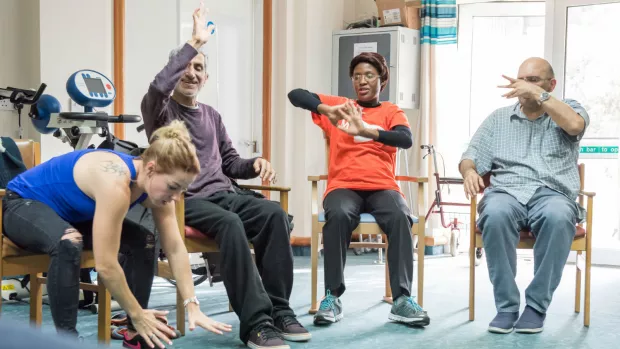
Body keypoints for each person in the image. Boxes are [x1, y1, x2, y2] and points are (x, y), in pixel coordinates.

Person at [140, 2, 310, 348]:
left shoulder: (212, 115)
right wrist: (195, 44)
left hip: (224, 194)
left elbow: (230, 162)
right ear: (175, 73)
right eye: (185, 67)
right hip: (187, 199)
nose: (191, 73)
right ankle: (256, 324)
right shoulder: (161, 111)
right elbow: (157, 89)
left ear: (205, 78)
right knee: (230, 225)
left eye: (198, 68)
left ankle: (280, 310)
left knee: (274, 214)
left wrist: (255, 163)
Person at [2, 120, 232, 349]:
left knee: (145, 241)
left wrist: (192, 304)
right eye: (173, 187)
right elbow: (106, 265)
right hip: (21, 205)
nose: (176, 197)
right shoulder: (116, 185)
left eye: (182, 189)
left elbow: (174, 247)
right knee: (68, 241)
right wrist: (137, 311)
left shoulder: (157, 187)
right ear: (151, 168)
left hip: (71, 217)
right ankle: (67, 342)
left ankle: (136, 330)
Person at [287, 51, 430, 327]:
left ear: (382, 80)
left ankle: (402, 300)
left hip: (383, 187)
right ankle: (332, 297)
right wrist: (323, 109)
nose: (361, 81)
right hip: (343, 186)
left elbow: (405, 139)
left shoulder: (391, 111)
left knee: (401, 216)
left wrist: (367, 130)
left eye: (369, 75)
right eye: (356, 76)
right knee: (338, 215)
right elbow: (295, 94)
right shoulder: (340, 106)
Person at [459, 57, 589, 334]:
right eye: (522, 80)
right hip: (507, 192)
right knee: (493, 213)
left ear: (551, 85)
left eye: (534, 80)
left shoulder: (569, 110)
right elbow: (470, 156)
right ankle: (506, 307)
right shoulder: (498, 119)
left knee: (558, 216)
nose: (525, 86)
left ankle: (536, 307)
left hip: (552, 193)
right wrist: (469, 172)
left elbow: (576, 126)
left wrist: (540, 97)